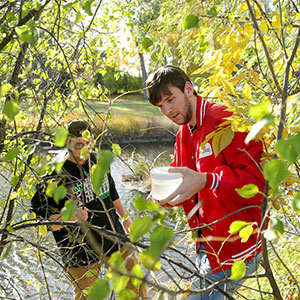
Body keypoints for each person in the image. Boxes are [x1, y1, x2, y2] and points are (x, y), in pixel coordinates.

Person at [146, 65, 265, 300]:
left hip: (237, 248)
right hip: (206, 247)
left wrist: (207, 180)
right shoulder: (183, 132)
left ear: (188, 89)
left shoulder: (225, 119)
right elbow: (186, 184)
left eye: (171, 99)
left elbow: (258, 183)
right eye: (161, 106)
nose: (168, 110)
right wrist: (165, 196)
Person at [31, 119, 147, 300]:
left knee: (135, 284)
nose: (84, 149)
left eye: (88, 143)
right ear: (67, 143)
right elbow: (41, 220)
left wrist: (125, 218)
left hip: (113, 237)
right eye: (78, 145)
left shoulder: (97, 161)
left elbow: (112, 191)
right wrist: (68, 217)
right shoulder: (53, 175)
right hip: (79, 252)